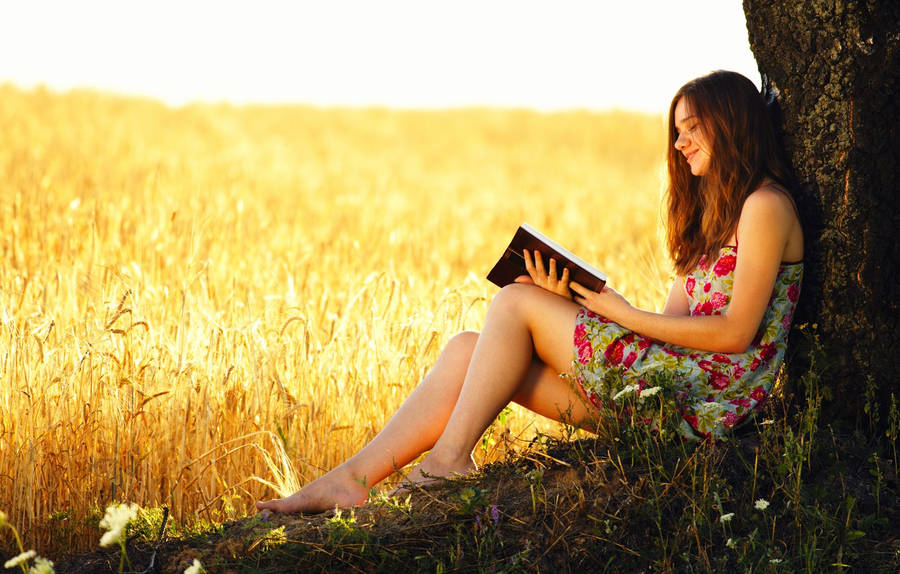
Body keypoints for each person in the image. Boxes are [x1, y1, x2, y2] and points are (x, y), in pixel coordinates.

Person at [256, 70, 803, 514]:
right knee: (469, 349)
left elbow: (735, 335)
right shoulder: (714, 223)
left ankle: (449, 460)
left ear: (728, 123)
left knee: (514, 303)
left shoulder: (766, 207)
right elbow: (670, 337)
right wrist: (573, 304)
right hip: (667, 393)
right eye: (676, 131)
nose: (679, 143)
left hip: (704, 412)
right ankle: (351, 479)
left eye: (690, 127)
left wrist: (622, 314)